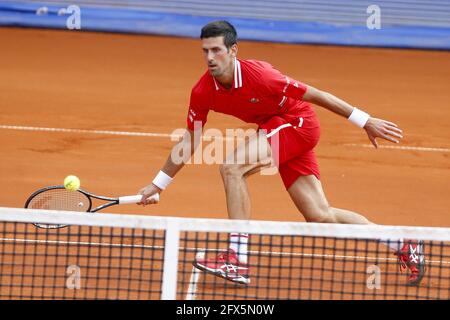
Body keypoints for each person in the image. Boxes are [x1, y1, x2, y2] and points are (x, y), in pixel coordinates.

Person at [138, 21, 425, 286]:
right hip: (276, 129)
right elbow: (190, 139)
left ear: (233, 51)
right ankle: (402, 242)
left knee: (231, 167)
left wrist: (365, 120)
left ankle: (238, 258)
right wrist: (158, 184)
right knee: (320, 215)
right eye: (205, 51)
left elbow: (317, 95)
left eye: (216, 50)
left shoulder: (262, 76)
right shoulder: (202, 91)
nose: (210, 58)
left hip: (298, 124)